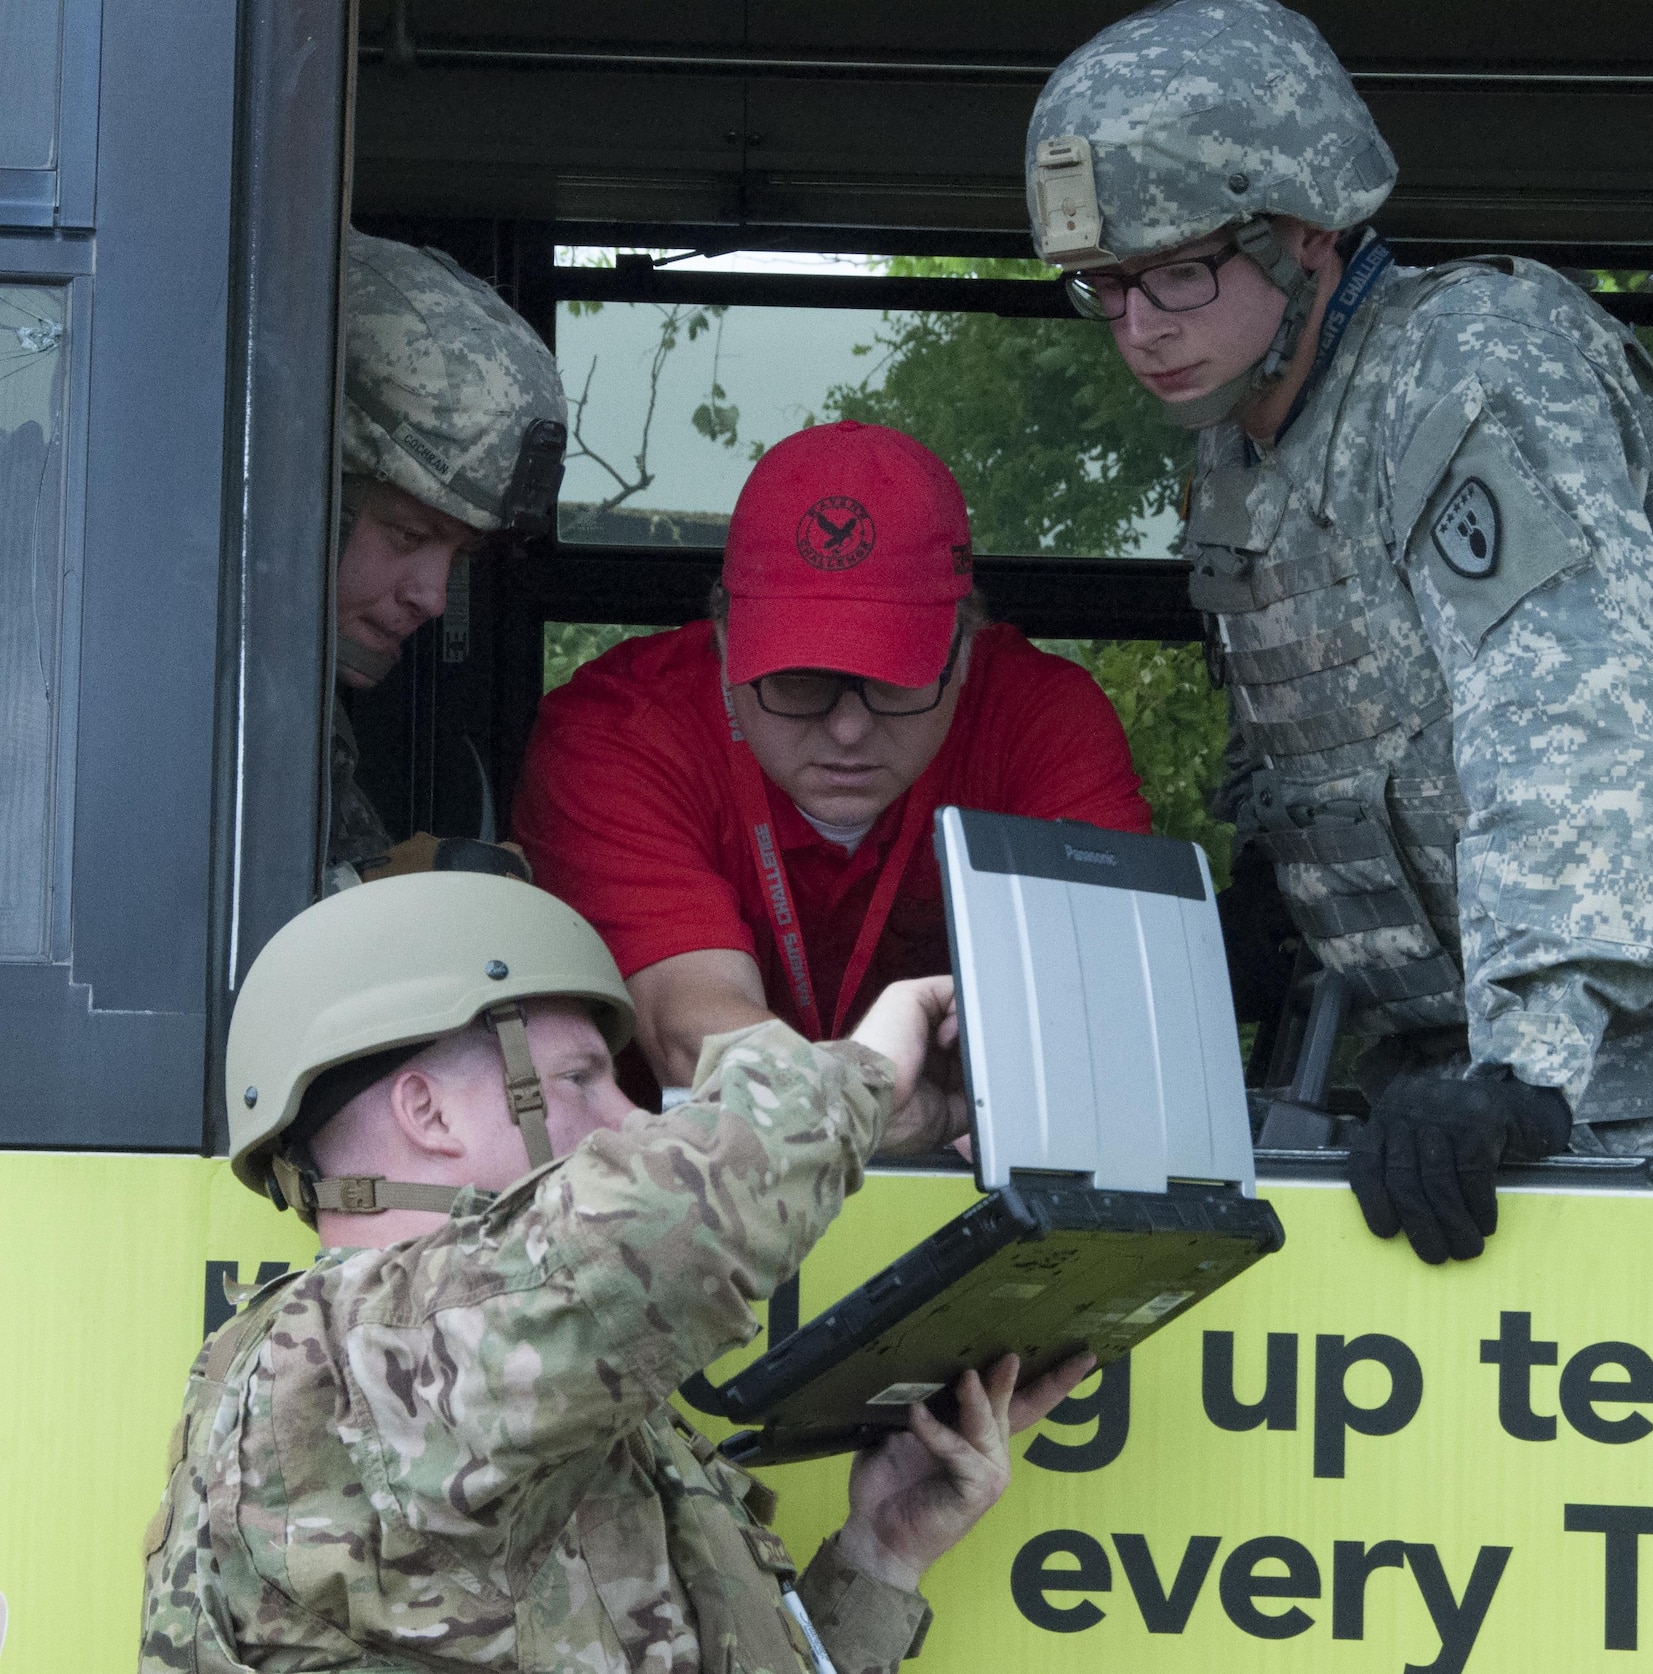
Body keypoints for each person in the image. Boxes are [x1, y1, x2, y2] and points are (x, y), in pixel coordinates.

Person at [1025, 0, 1653, 1262]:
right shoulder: (1248, 431)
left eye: (1175, 271)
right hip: (1459, 1064)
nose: (1137, 326)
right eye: (1100, 287)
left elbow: (1567, 698)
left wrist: (1525, 1058)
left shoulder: (1469, 360)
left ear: (1304, 233)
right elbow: (1328, 743)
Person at [137, 871, 1089, 1672]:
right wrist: (864, 1075)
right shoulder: (336, 1366)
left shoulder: (518, 1389)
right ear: (428, 1114)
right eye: (583, 1079)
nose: (632, 1121)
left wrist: (880, 1556)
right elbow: (678, 1225)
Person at [513, 419, 1152, 1091]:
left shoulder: (1040, 718)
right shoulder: (622, 729)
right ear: (725, 644)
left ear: (964, 652)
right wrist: (880, 1101)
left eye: (894, 678)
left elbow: (1100, 1005)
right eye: (799, 680)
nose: (848, 729)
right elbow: (692, 1030)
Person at [327, 229, 569, 891]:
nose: (433, 597)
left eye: (459, 555)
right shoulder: (149, 683)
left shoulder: (299, 715)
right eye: (407, 535)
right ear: (307, 497)